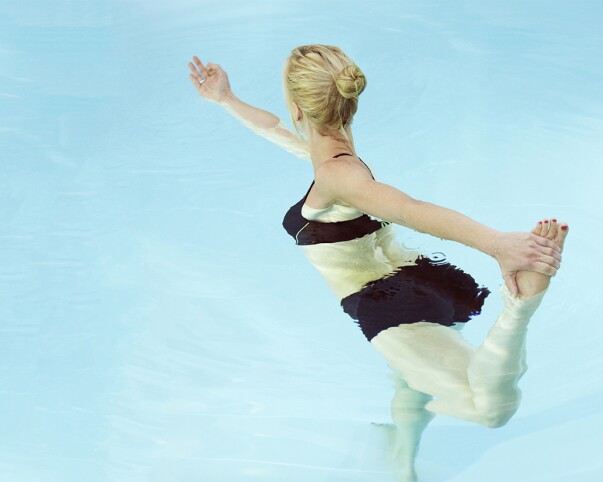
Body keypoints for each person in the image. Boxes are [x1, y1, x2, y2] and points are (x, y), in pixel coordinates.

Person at [188, 45, 570, 482]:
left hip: (387, 305)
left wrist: (496, 243)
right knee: (410, 381)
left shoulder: (339, 175)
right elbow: (278, 132)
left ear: (298, 107)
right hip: (428, 280)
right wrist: (227, 100)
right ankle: (403, 464)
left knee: (487, 408)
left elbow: (408, 207)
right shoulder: (337, 155)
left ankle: (520, 307)